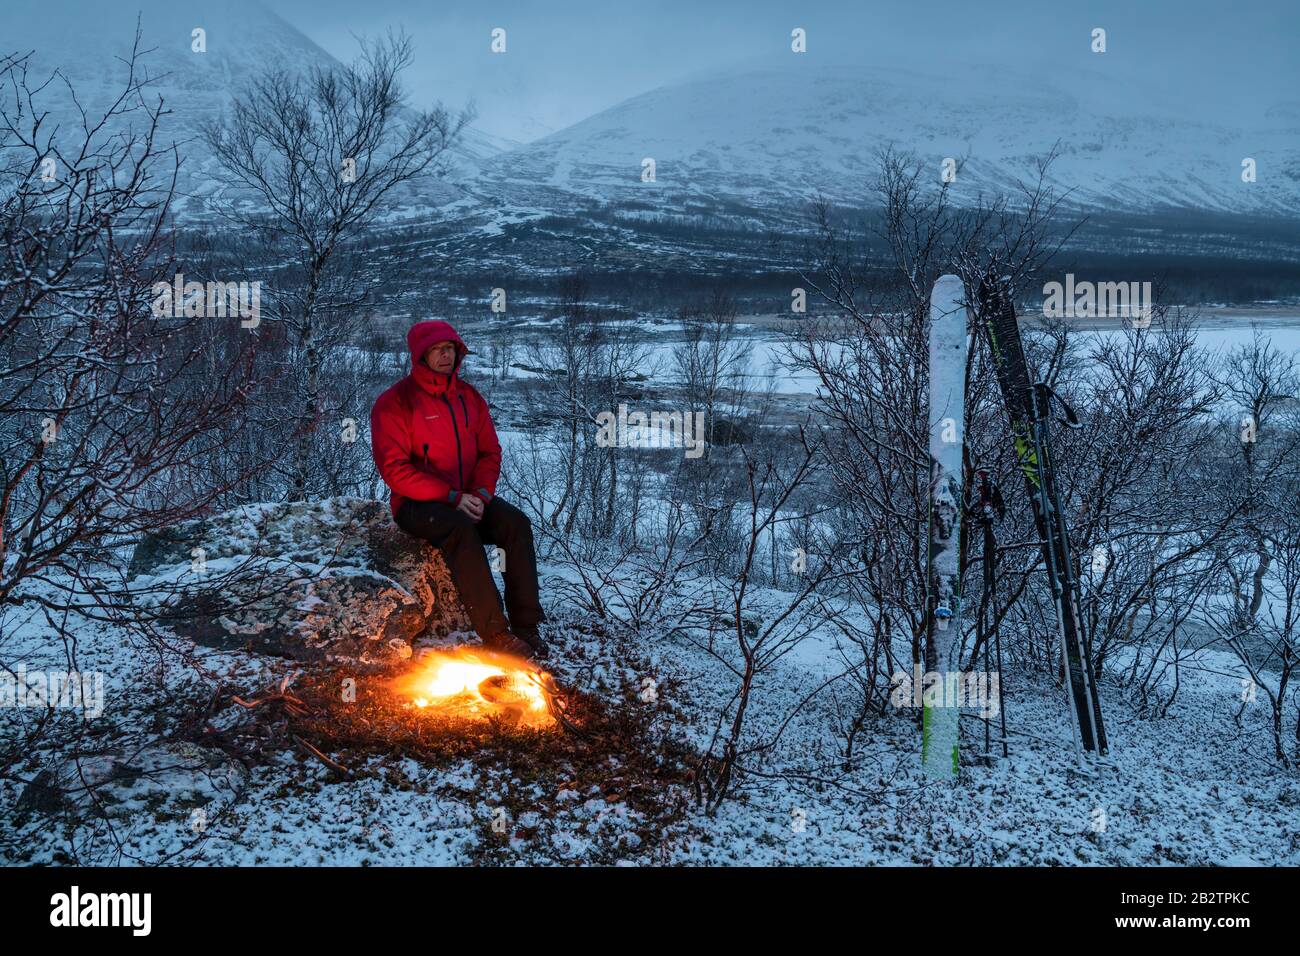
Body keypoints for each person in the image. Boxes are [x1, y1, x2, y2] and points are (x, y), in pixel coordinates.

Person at [370, 320, 547, 659]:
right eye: (438, 349)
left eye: (451, 349)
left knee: (516, 523)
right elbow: (395, 471)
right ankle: (496, 633)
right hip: (417, 504)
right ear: (420, 355)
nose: (446, 355)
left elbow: (489, 452)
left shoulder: (469, 398)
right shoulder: (395, 403)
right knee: (461, 530)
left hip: (468, 497)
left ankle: (527, 626)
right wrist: (451, 497)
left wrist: (480, 495)